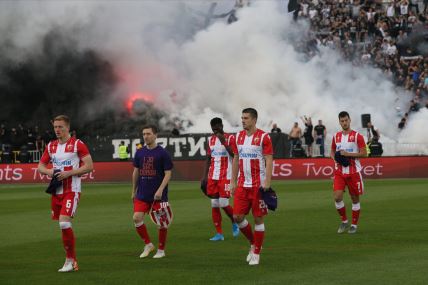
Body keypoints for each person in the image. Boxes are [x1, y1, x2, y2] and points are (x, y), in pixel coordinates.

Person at [37, 115, 93, 272]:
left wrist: (69, 173)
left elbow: (89, 166)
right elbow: (40, 166)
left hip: (72, 190)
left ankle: (70, 261)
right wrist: (49, 171)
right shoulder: (51, 146)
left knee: (64, 222)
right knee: (61, 225)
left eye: (60, 127)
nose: (57, 130)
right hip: (57, 190)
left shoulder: (77, 144)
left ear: (68, 127)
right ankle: (71, 259)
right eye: (55, 127)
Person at [231, 108, 273, 266]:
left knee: (258, 219)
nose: (243, 120)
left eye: (246, 118)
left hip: (258, 185)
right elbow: (236, 159)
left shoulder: (263, 137)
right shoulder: (238, 137)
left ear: (254, 119)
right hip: (242, 184)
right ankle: (254, 243)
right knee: (237, 217)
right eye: (242, 118)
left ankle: (256, 253)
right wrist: (232, 181)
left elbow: (269, 160)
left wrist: (267, 182)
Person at [132, 125, 173, 259]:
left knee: (162, 223)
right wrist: (134, 190)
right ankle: (148, 244)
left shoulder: (163, 153)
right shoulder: (139, 152)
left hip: (159, 196)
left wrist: (160, 189)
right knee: (136, 218)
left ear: (155, 135)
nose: (145, 136)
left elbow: (168, 173)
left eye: (148, 134)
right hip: (142, 194)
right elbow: (136, 172)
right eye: (144, 134)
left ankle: (161, 250)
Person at [202, 118, 239, 241]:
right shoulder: (211, 140)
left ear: (222, 126)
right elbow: (208, 158)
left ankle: (235, 222)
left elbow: (234, 155)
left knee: (223, 203)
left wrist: (224, 142)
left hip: (227, 176)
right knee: (214, 203)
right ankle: (219, 234)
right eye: (213, 128)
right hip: (213, 176)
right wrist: (204, 177)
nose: (215, 130)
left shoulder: (230, 138)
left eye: (217, 127)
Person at [330, 111, 367, 235]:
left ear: (350, 120)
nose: (344, 123)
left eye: (346, 120)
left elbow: (364, 153)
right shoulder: (336, 136)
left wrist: (348, 154)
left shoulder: (358, 136)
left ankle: (354, 225)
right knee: (337, 197)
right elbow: (332, 151)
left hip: (354, 172)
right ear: (339, 122)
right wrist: (335, 159)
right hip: (339, 171)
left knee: (354, 199)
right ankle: (344, 221)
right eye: (342, 121)